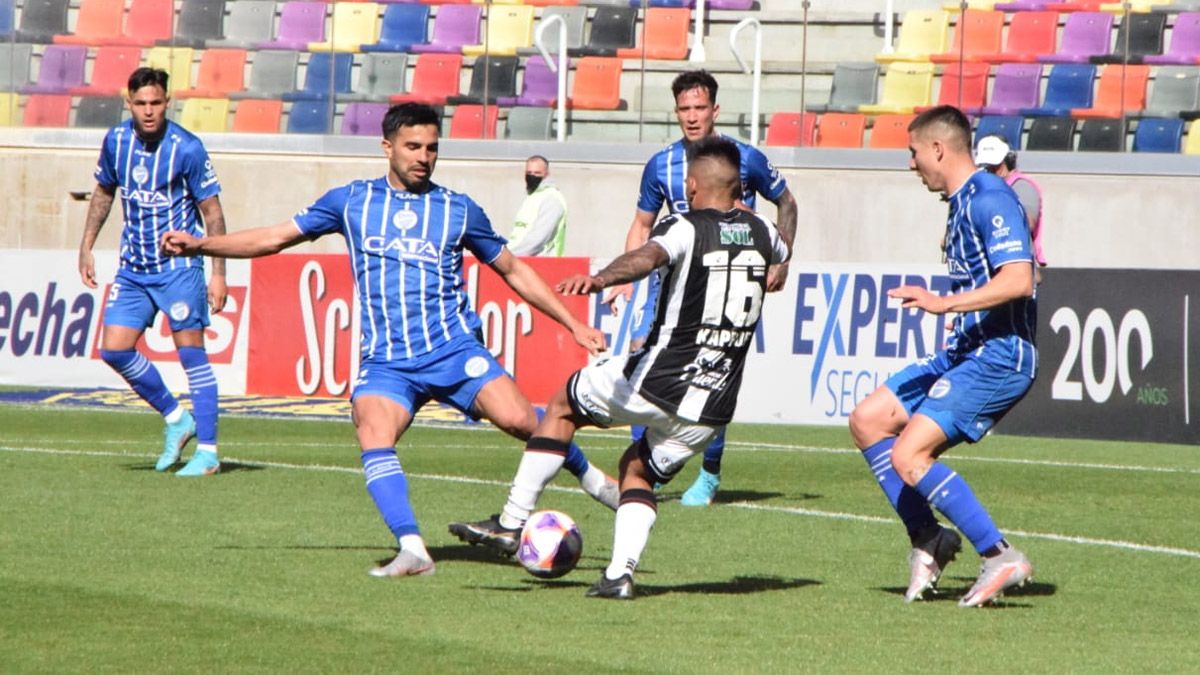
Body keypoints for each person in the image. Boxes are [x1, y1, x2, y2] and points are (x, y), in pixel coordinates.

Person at [161, 103, 618, 578]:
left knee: (523, 420)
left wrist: (573, 324)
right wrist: (201, 244)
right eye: (413, 146)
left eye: (432, 148)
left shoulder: (458, 210)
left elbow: (515, 271)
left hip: (453, 350)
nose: (424, 157)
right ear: (388, 147)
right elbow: (275, 237)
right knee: (372, 430)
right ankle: (413, 550)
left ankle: (593, 479)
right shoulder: (351, 201)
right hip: (387, 361)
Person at [452, 137, 792, 600]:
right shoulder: (765, 236)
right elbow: (782, 232)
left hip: (657, 380)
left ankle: (511, 522)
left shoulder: (684, 227)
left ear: (692, 184)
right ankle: (619, 575)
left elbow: (647, 256)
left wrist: (601, 278)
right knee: (637, 470)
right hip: (712, 407)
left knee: (563, 404)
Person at [848, 106, 1036, 608]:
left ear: (937, 149)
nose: (911, 164)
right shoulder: (960, 203)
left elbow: (1020, 280)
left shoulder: (990, 197)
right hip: (964, 352)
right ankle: (929, 539)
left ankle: (999, 555)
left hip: (1000, 356)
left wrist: (944, 302)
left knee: (909, 455)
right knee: (868, 420)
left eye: (913, 152)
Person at [607, 69, 798, 507]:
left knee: (713, 370)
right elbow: (642, 226)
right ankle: (645, 473)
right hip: (667, 281)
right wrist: (625, 279)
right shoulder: (661, 164)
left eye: (700, 108)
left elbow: (786, 200)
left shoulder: (742, 158)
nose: (692, 117)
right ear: (676, 112)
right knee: (643, 360)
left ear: (716, 110)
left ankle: (709, 475)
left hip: (723, 282)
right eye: (684, 109)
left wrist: (782, 257)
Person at [77, 67, 228, 477]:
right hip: (133, 268)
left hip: (178, 267)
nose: (148, 111)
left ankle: (209, 452)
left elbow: (211, 212)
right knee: (114, 349)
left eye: (156, 103)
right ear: (128, 102)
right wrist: (87, 244)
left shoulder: (188, 148)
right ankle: (177, 419)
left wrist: (218, 271)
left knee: (192, 355)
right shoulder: (116, 141)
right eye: (140, 103)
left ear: (167, 102)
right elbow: (105, 192)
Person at [973, 134, 1047, 282]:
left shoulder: (1022, 186)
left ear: (1008, 160)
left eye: (995, 164)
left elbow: (1027, 223)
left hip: (1015, 274)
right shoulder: (984, 188)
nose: (990, 170)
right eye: (985, 166)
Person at [507, 155, 568, 257]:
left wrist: (507, 256)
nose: (532, 176)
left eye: (537, 173)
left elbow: (538, 239)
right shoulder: (532, 197)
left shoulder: (552, 198)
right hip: (521, 262)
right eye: (529, 173)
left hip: (543, 263)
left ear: (546, 174)